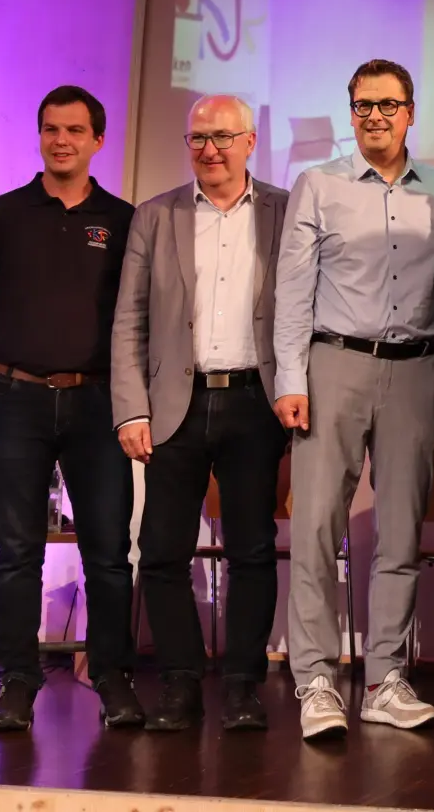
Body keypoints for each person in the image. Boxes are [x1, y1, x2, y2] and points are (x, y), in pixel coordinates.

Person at [274, 59, 434, 740]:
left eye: (387, 104)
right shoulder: (318, 185)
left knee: (401, 532)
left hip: (417, 371)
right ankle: (316, 680)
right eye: (362, 105)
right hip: (333, 365)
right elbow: (292, 292)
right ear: (350, 111)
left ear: (411, 110)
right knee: (318, 527)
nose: (374, 116)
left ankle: (386, 679)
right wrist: (290, 379)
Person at [0, 85, 142, 732]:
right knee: (17, 552)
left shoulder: (123, 221)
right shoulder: (3, 214)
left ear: (97, 140)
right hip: (14, 404)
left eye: (74, 130)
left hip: (95, 404)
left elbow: (137, 319)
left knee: (110, 552)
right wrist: (12, 367)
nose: (60, 139)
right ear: (39, 136)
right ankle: (17, 681)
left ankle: (111, 675)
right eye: (50, 128)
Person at [111, 95, 290, 732]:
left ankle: (242, 685)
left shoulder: (286, 210)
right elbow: (130, 318)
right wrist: (131, 409)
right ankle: (181, 685)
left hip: (253, 402)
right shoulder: (155, 216)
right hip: (173, 407)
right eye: (197, 139)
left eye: (221, 138)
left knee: (251, 552)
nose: (208, 151)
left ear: (249, 142)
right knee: (160, 551)